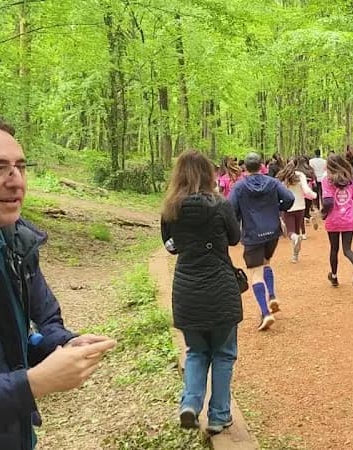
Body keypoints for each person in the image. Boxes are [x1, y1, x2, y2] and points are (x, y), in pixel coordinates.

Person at [0, 114, 117, 449]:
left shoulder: (16, 246)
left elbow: (44, 322)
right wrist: (32, 384)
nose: (15, 180)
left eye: (20, 166)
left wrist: (63, 344)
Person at [160, 150, 242, 434]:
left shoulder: (170, 208)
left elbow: (169, 246)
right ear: (208, 174)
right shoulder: (220, 205)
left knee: (196, 352)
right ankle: (219, 416)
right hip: (220, 288)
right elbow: (235, 237)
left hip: (187, 289)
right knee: (223, 353)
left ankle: (190, 405)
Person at [229, 153, 294, 331]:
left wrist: (236, 222)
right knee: (266, 262)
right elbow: (289, 198)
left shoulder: (239, 187)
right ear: (261, 166)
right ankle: (272, 295)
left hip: (252, 234)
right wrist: (278, 207)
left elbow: (230, 208)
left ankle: (265, 313)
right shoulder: (272, 182)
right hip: (272, 232)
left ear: (245, 168)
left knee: (256, 273)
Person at [321, 154, 353, 287]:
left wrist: (323, 213)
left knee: (334, 249)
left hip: (333, 220)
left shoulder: (327, 180)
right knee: (347, 249)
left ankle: (334, 276)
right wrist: (350, 212)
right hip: (348, 220)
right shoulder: (349, 181)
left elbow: (328, 202)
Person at [276, 157, 317, 262]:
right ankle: (295, 256)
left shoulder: (283, 176)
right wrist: (314, 195)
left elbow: (279, 191)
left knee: (291, 232)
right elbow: (306, 190)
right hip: (301, 207)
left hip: (288, 207)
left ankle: (295, 241)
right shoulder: (301, 175)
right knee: (297, 231)